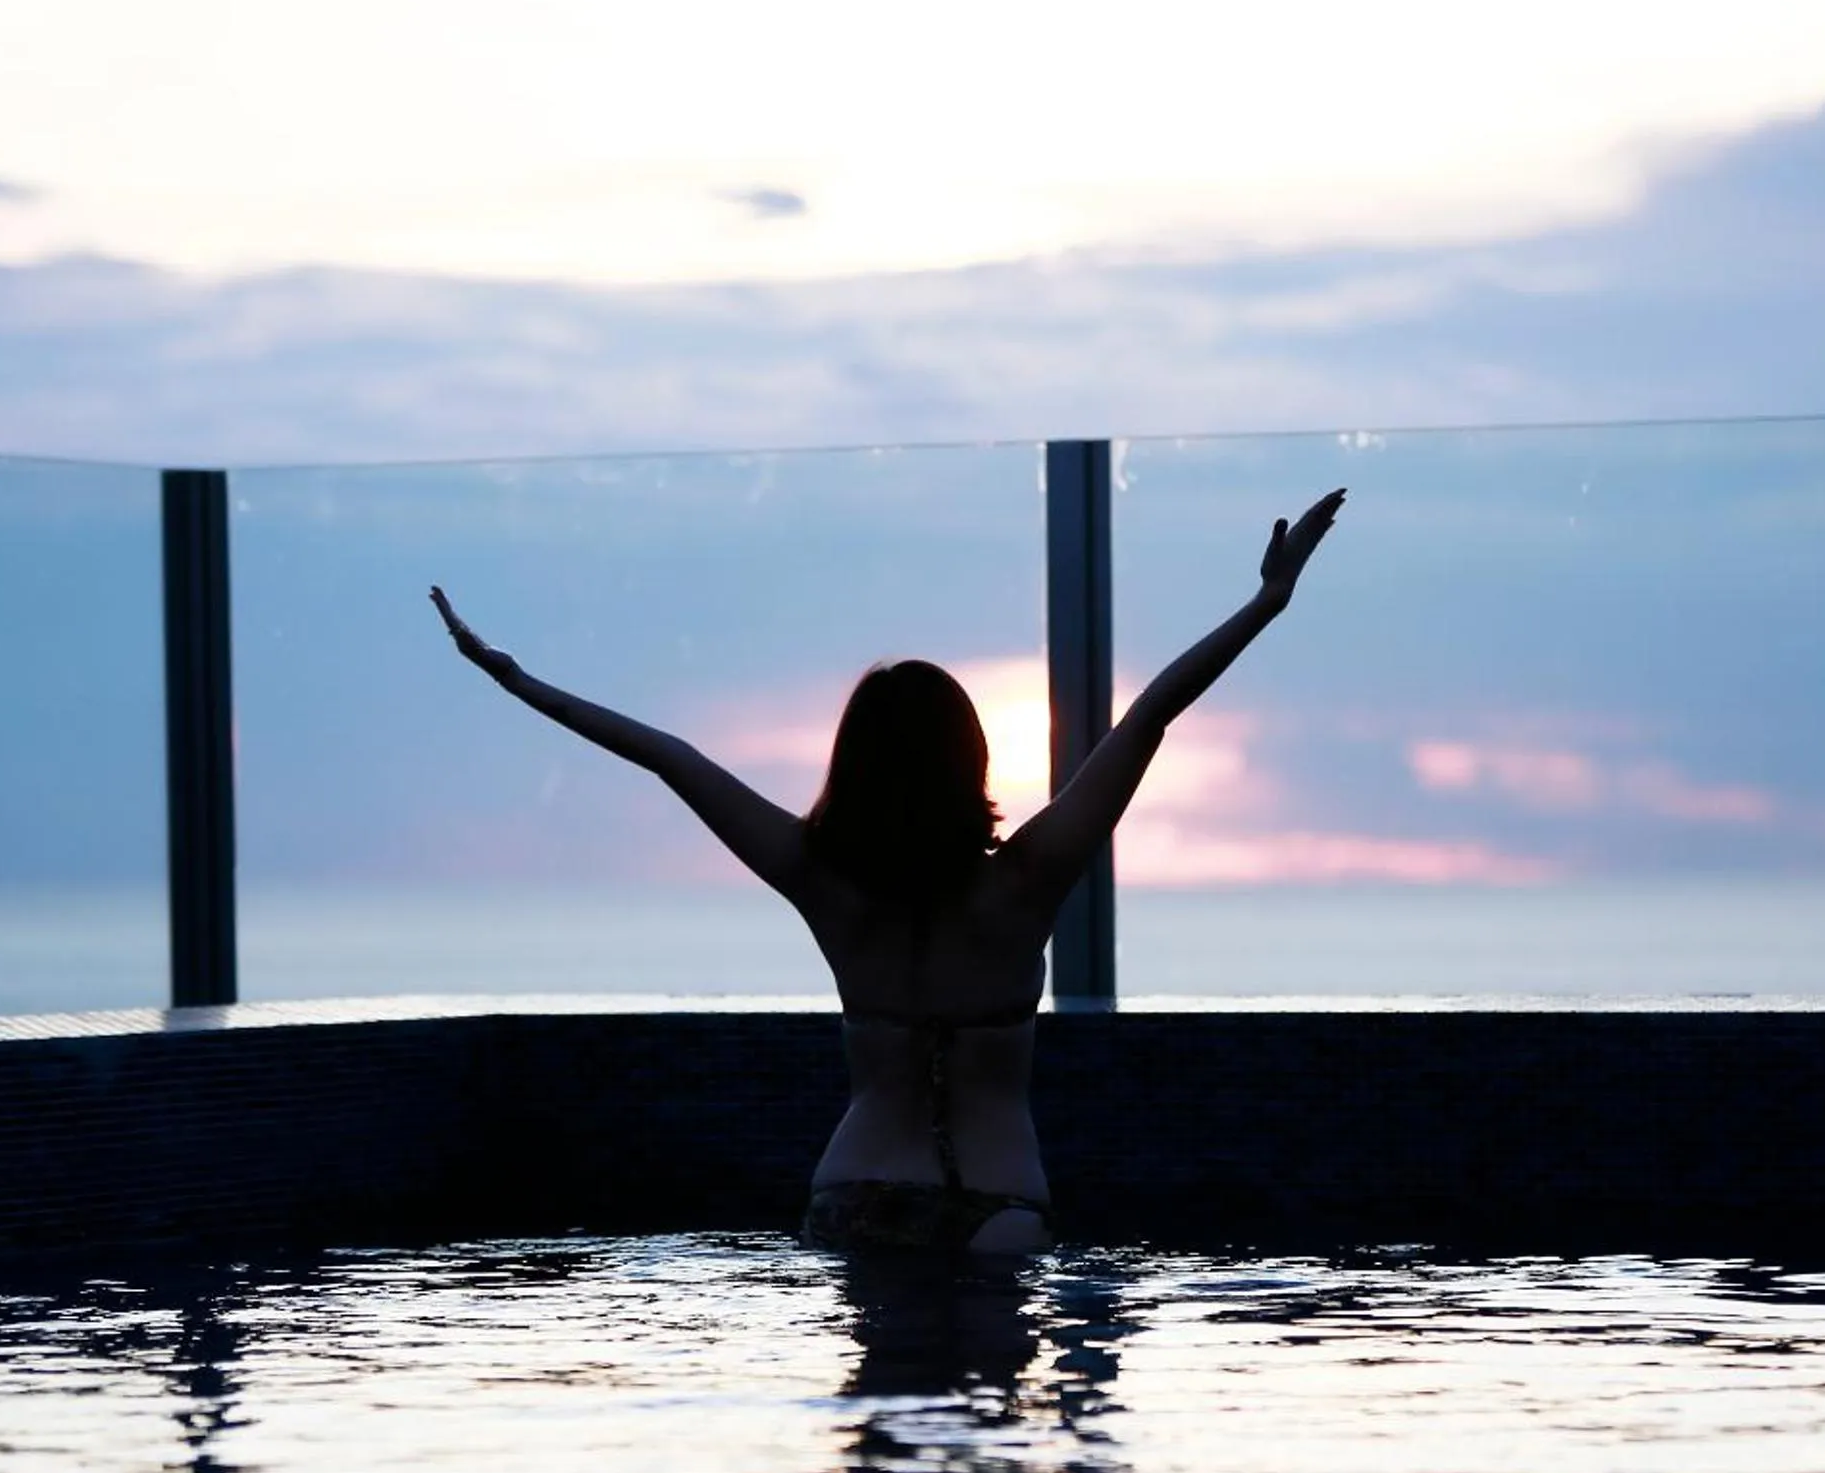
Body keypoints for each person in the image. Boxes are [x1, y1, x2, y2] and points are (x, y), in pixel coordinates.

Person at [431, 487, 1343, 1254]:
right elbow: (1149, 718)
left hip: (852, 1196)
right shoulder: (1025, 884)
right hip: (1002, 1214)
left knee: (878, 1448)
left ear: (853, 764)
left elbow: (671, 758)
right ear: (971, 760)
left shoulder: (822, 881)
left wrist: (517, 681)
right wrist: (1266, 603)